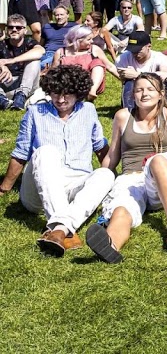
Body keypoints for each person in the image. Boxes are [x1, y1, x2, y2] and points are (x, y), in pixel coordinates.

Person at [85, 72, 167, 263]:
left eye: (150, 89)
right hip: (131, 179)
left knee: (157, 160)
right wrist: (100, 182)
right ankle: (110, 245)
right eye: (139, 90)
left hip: (162, 177)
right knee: (121, 209)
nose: (144, 94)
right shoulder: (123, 116)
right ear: (133, 95)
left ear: (161, 94)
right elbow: (113, 156)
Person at [0, 65, 115, 256]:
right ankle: (65, 228)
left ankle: (59, 230)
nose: (60, 100)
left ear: (78, 92)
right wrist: (4, 189)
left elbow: (100, 147)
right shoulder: (36, 112)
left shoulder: (88, 110)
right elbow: (21, 153)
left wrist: (112, 179)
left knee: (105, 174)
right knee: (46, 152)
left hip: (76, 183)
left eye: (66, 94)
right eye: (55, 94)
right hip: (39, 186)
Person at [52, 24, 115, 101]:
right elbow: (53, 73)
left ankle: (91, 92)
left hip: (87, 84)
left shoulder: (94, 49)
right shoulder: (61, 52)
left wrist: (125, 80)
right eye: (88, 39)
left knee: (97, 63)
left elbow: (110, 66)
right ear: (77, 40)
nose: (92, 41)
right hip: (67, 85)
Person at [115, 31, 167, 110]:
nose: (135, 54)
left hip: (156, 92)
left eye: (138, 50)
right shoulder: (122, 59)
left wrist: (138, 75)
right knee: (129, 83)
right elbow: (123, 81)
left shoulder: (160, 58)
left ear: (149, 46)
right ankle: (130, 112)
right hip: (135, 93)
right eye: (132, 50)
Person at [0, 14, 43, 110]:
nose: (14, 30)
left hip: (26, 85)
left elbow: (40, 51)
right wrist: (2, 66)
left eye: (18, 27)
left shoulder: (29, 42)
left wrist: (10, 61)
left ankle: (20, 96)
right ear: (7, 30)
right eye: (11, 27)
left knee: (34, 61)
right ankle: (3, 101)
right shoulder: (2, 44)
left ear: (25, 30)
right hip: (5, 84)